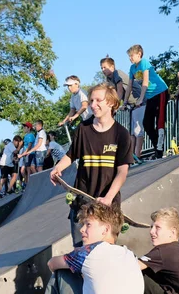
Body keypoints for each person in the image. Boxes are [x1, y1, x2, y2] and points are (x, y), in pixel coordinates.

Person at [46, 202, 143, 294]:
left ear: (105, 229)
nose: (82, 229)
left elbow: (51, 264)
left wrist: (75, 267)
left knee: (61, 272)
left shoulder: (88, 253)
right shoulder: (128, 255)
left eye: (88, 225)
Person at [50, 82, 134, 247]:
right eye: (91, 101)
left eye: (98, 101)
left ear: (110, 103)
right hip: (82, 202)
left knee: (104, 254)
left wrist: (108, 198)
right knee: (81, 253)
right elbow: (71, 155)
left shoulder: (121, 134)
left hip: (107, 207)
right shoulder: (84, 129)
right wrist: (58, 167)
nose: (93, 105)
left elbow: (122, 172)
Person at [127, 45, 169, 159]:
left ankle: (160, 150)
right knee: (147, 123)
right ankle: (157, 147)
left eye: (132, 56)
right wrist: (124, 102)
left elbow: (145, 81)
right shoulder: (132, 68)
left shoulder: (144, 63)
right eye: (129, 56)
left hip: (160, 91)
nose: (130, 58)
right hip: (150, 96)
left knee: (159, 120)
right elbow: (129, 85)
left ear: (139, 54)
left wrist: (140, 98)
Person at [19, 122, 36, 188]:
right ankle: (26, 182)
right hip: (26, 155)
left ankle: (29, 184)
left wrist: (25, 153)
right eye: (23, 127)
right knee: (23, 170)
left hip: (30, 154)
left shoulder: (30, 135)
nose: (24, 128)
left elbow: (29, 145)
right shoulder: (26, 136)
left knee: (28, 169)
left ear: (29, 128)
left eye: (25, 127)